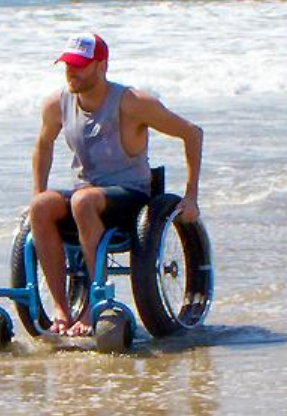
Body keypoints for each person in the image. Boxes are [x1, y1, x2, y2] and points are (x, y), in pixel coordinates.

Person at [29, 34, 202, 337]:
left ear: (101, 66)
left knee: (83, 201)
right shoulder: (57, 104)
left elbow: (192, 133)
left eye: (80, 65)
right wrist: (38, 191)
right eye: (68, 65)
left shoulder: (133, 103)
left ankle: (91, 306)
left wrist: (191, 197)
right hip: (85, 194)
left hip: (130, 196)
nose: (72, 72)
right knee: (40, 207)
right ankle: (61, 308)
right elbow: (43, 146)